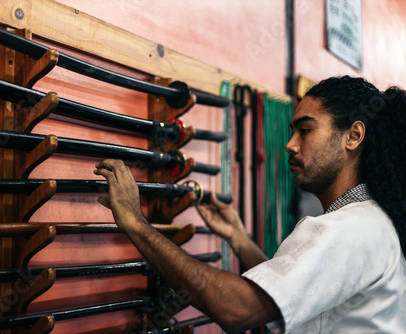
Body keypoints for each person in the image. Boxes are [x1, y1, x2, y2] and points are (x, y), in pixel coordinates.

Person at [93, 76, 406, 333]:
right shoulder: (370, 223)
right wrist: (239, 239)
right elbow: (283, 295)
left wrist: (136, 223)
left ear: (353, 136)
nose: (290, 144)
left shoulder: (352, 229)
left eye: (305, 130)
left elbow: (238, 309)